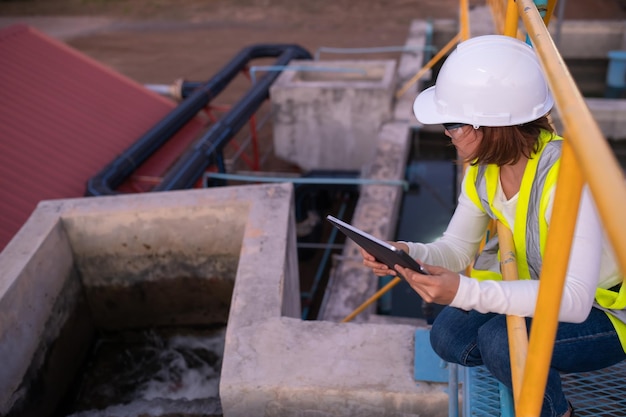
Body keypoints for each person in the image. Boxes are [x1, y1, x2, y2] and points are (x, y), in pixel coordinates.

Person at [360, 35, 625, 417]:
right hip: (542, 288)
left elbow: (573, 301)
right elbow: (455, 248)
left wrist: (465, 292)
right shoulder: (484, 170)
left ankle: (558, 411)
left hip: (605, 312)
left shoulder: (569, 177)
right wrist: (407, 253)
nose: (446, 133)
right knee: (448, 336)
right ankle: (522, 366)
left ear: (489, 125)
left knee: (502, 343)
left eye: (452, 123)